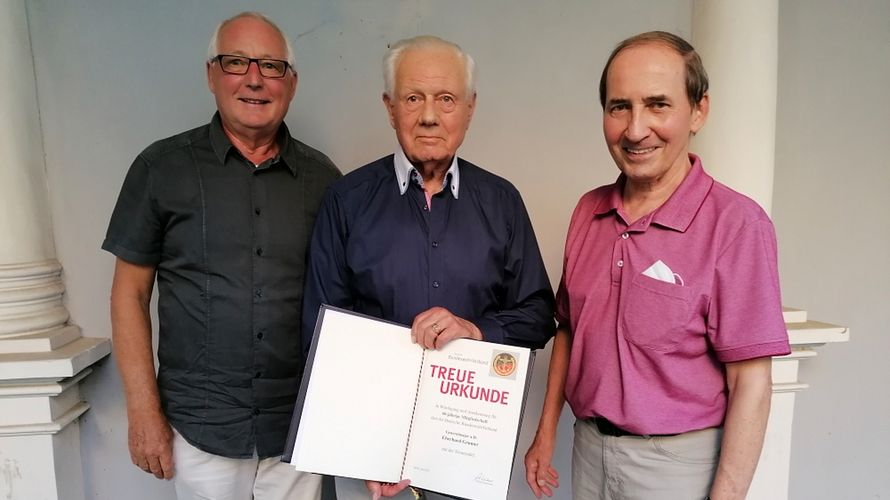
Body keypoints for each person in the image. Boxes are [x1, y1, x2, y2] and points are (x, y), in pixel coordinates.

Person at [524, 31, 791, 500]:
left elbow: (751, 381)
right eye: (619, 106)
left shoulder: (737, 225)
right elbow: (568, 329)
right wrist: (546, 432)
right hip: (587, 451)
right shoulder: (588, 211)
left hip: (678, 469)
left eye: (658, 105)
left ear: (699, 111)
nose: (635, 129)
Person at [302, 35, 555, 500]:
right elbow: (322, 331)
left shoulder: (502, 203)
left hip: (467, 451)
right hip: (372, 460)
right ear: (390, 107)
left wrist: (476, 330)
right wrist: (359, 450)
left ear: (470, 107)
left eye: (446, 99)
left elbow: (539, 314)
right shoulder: (347, 201)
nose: (430, 115)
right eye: (413, 98)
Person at [103, 12, 340, 500]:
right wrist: (143, 410)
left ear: (291, 84)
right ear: (212, 74)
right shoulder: (160, 169)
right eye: (236, 62)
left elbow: (344, 299)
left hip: (297, 427)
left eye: (271, 66)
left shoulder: (325, 181)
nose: (254, 78)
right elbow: (129, 294)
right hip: (200, 424)